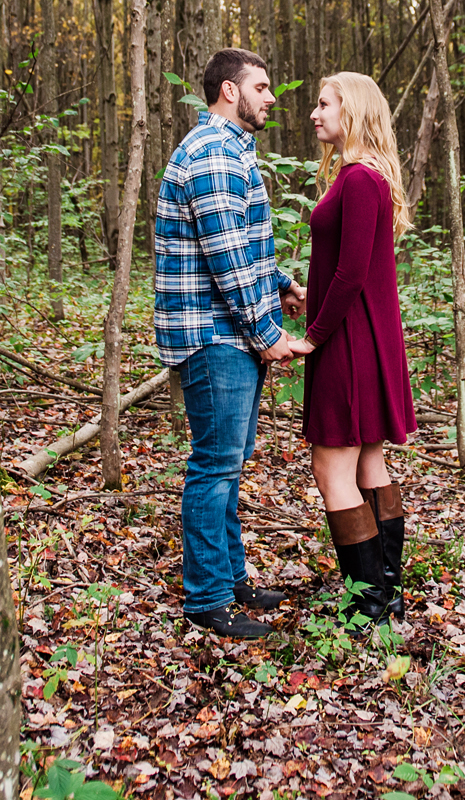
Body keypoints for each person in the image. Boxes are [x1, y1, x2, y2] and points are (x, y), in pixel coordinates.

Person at [154, 48, 311, 639]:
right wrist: (270, 334)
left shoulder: (232, 153)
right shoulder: (213, 154)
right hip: (214, 336)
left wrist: (282, 285)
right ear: (229, 91)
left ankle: (231, 577)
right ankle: (208, 601)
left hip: (228, 333)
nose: (271, 98)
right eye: (262, 87)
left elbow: (241, 248)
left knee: (228, 466)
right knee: (214, 467)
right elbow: (224, 259)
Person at [302, 72, 417, 626]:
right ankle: (385, 592)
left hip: (349, 342)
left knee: (332, 469)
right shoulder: (360, 178)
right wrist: (309, 292)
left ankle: (368, 602)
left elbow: (350, 274)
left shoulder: (358, 180)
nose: (314, 113)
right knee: (369, 459)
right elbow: (353, 268)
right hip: (363, 336)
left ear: (353, 110)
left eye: (324, 104)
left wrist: (313, 336)